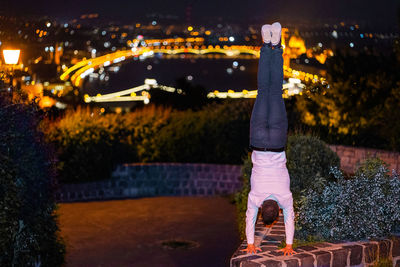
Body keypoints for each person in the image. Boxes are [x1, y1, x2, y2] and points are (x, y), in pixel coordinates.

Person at [241, 22, 296, 256]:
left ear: (279, 211)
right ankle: (266, 44)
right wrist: (251, 244)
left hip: (277, 142)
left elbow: (291, 221)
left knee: (276, 91)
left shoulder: (286, 197)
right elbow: (249, 221)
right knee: (264, 90)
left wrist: (289, 245)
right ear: (263, 208)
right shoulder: (255, 199)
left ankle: (277, 45)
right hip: (258, 140)